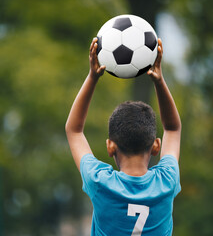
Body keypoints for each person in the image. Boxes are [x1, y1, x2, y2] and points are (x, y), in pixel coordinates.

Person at [65, 37, 181, 236]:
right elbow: (172, 128)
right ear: (156, 146)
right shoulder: (166, 181)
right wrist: (160, 81)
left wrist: (93, 76)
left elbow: (74, 130)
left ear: (110, 147)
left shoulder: (100, 182)